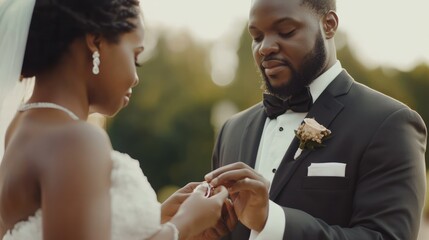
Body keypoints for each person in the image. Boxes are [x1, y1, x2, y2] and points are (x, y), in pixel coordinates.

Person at [0, 0, 236, 239]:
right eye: (135, 57)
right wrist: (187, 223)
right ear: (96, 41)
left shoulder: (20, 126)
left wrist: (160, 218)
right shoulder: (76, 139)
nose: (135, 78)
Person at [205, 0, 428, 239]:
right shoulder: (232, 130)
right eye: (257, 36)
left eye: (286, 31)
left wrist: (273, 222)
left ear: (329, 25)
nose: (265, 47)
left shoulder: (389, 124)